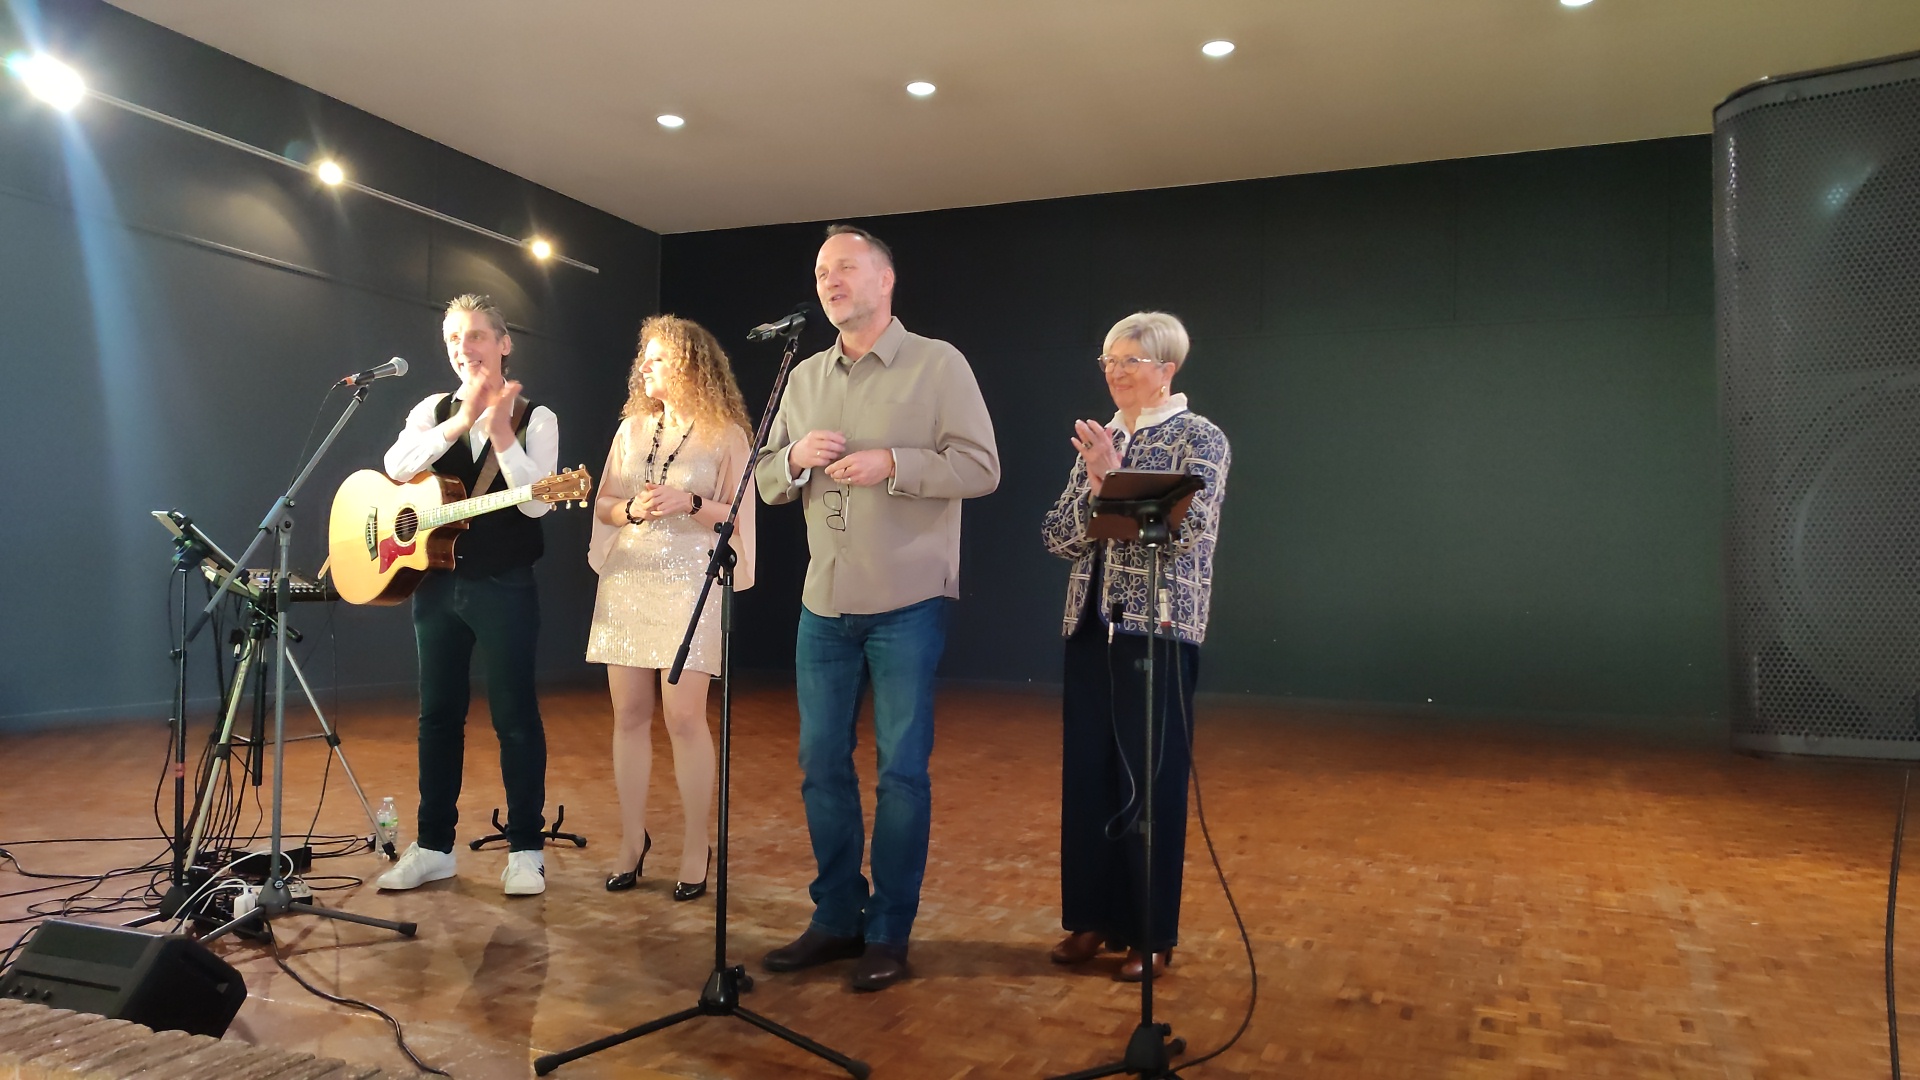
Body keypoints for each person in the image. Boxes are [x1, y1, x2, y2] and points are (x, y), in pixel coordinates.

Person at [753, 224, 1000, 991]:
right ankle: (836, 919)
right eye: (822, 272)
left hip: (907, 601)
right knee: (820, 765)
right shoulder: (802, 376)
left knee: (901, 772)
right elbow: (764, 480)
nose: (830, 282)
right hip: (823, 601)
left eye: (846, 268)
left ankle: (889, 932)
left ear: (885, 280)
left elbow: (982, 467)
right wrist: (793, 459)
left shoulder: (938, 363)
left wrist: (895, 462)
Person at [1039, 311, 1230, 981]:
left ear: (1166, 369)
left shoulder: (1199, 437)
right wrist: (1098, 483)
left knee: (1150, 783)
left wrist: (1113, 482)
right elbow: (1058, 537)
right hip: (1090, 628)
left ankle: (1149, 933)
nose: (1115, 372)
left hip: (1159, 627)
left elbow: (1183, 532)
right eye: (1108, 361)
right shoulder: (1101, 439)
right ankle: (1091, 919)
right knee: (1088, 778)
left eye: (1129, 361)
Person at [375, 293, 559, 897]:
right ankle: (434, 847)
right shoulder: (432, 410)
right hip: (436, 584)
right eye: (454, 338)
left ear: (504, 344)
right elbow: (396, 467)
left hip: (505, 584)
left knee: (515, 718)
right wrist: (462, 420)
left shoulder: (537, 418)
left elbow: (537, 503)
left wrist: (502, 433)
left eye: (476, 335)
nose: (464, 348)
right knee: (437, 717)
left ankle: (526, 851)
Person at [587, 314, 756, 901]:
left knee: (684, 717)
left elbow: (738, 517)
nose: (645, 367)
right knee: (629, 715)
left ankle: (695, 845)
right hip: (629, 578)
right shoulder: (630, 430)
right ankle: (631, 840)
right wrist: (629, 510)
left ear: (689, 364)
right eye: (645, 358)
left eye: (657, 358)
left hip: (691, 580)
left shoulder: (727, 435)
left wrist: (691, 502)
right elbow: (604, 504)